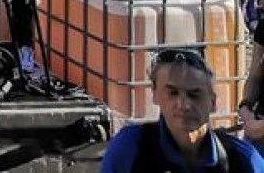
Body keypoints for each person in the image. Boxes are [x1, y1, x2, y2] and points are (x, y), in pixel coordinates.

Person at [102, 47, 264, 172]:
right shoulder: (130, 148)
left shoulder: (243, 160)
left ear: (213, 102)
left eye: (194, 95)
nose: (183, 104)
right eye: (172, 93)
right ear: (155, 94)